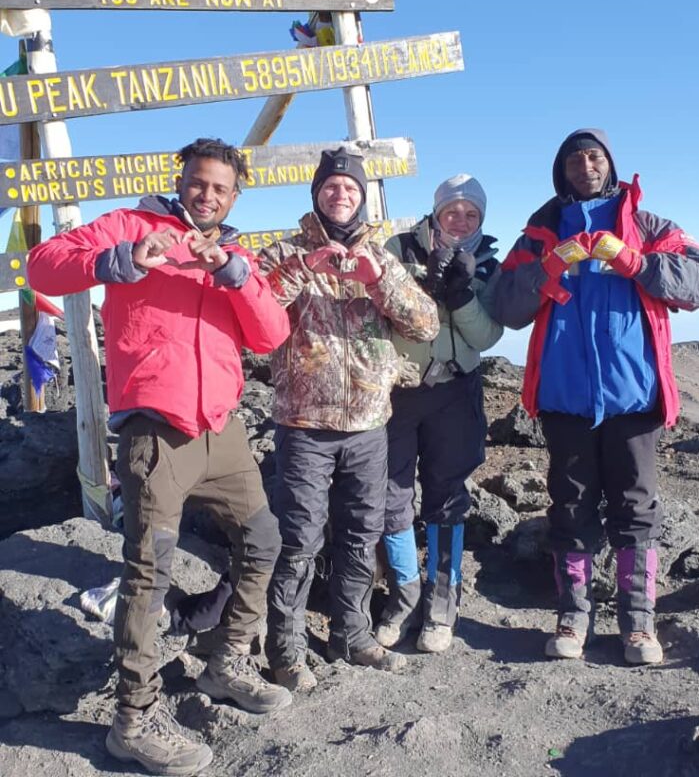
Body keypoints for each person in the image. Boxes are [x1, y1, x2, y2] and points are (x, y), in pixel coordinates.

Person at [27, 137, 292, 777]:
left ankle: (225, 664)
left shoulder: (235, 254)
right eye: (198, 183)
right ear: (183, 181)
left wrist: (231, 273)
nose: (208, 194)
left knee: (263, 539)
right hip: (155, 429)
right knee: (150, 571)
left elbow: (271, 333)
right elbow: (43, 266)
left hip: (221, 429)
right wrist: (121, 260)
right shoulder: (134, 224)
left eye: (221, 188)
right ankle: (133, 720)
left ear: (235, 196)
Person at [491, 128, 699, 665]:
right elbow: (505, 306)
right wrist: (548, 266)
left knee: (636, 510)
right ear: (560, 171)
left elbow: (695, 278)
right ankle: (573, 617)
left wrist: (637, 263)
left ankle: (638, 625)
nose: (585, 164)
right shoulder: (540, 233)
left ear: (609, 164)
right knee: (570, 507)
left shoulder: (648, 226)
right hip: (566, 398)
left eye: (594, 155)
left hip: (634, 398)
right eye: (574, 158)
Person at [257, 147, 440, 692]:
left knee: (361, 534)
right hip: (304, 425)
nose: (341, 194)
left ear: (362, 196)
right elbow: (256, 312)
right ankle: (286, 647)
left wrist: (378, 278)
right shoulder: (283, 252)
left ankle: (351, 634)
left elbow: (425, 323)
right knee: (299, 539)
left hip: (367, 425)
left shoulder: (382, 256)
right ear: (316, 193)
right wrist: (303, 269)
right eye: (331, 186)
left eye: (351, 187)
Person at [375, 174, 502, 654]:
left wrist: (463, 296)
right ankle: (403, 597)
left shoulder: (489, 260)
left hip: (456, 390)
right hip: (401, 391)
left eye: (472, 213)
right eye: (454, 210)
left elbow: (487, 338)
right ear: (436, 211)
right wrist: (424, 289)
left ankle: (441, 604)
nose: (462, 220)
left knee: (447, 497)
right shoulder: (400, 247)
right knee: (392, 495)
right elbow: (383, 310)